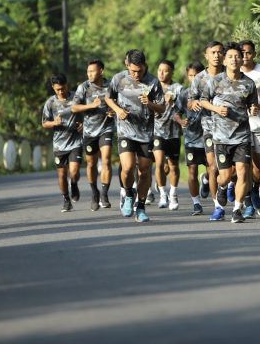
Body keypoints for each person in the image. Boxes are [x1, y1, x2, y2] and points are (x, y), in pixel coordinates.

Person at [199, 42, 259, 223]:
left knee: (242, 171)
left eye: (237, 56)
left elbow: (252, 104)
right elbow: (203, 101)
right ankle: (223, 188)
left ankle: (237, 209)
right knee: (224, 177)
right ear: (224, 61)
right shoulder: (215, 81)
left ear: (242, 59)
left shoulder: (249, 83)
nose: (234, 60)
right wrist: (216, 109)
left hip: (242, 136)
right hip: (220, 136)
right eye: (230, 57)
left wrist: (254, 109)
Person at [106, 50, 166, 222]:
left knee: (145, 170)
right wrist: (118, 110)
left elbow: (162, 108)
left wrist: (151, 104)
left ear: (145, 66)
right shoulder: (119, 79)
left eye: (140, 71)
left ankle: (140, 206)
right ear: (127, 65)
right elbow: (108, 98)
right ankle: (128, 193)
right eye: (133, 71)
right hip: (125, 131)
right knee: (127, 167)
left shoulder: (153, 82)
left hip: (146, 133)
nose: (137, 74)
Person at [188, 41, 226, 221]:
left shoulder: (231, 75)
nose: (217, 55)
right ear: (207, 55)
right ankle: (217, 206)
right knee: (213, 166)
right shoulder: (199, 79)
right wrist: (193, 103)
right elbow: (190, 100)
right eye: (213, 52)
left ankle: (226, 188)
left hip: (232, 128)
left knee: (230, 169)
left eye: (220, 52)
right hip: (209, 127)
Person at [71, 59, 115, 212]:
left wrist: (113, 111)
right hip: (89, 132)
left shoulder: (111, 86)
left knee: (107, 159)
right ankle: (94, 192)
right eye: (88, 71)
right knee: (91, 164)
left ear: (101, 71)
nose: (89, 74)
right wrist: (91, 105)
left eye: (92, 71)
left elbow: (119, 103)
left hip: (106, 128)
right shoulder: (83, 87)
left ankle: (104, 194)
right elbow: (74, 107)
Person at [41, 73, 83, 212]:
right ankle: (66, 199)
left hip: (76, 141)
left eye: (63, 88)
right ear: (53, 88)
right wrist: (54, 123)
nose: (61, 91)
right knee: (61, 174)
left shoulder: (76, 98)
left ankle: (74, 183)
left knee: (74, 171)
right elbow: (44, 123)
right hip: (59, 144)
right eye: (58, 89)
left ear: (67, 85)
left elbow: (86, 113)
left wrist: (83, 124)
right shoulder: (50, 103)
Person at [240, 39, 260, 217]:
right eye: (242, 53)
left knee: (259, 168)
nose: (245, 56)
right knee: (242, 166)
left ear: (254, 54)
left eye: (249, 53)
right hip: (239, 127)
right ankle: (247, 199)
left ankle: (256, 189)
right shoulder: (231, 72)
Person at [152, 59, 184, 211]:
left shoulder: (178, 89)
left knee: (173, 165)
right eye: (159, 70)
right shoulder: (152, 88)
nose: (161, 73)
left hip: (174, 133)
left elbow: (184, 108)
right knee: (158, 163)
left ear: (172, 72)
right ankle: (162, 194)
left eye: (165, 70)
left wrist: (174, 101)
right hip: (157, 132)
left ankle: (173, 194)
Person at [177, 61, 206, 215]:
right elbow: (176, 112)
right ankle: (196, 203)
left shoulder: (210, 90)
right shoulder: (184, 94)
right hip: (191, 139)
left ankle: (207, 180)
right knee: (192, 171)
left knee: (214, 170)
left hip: (210, 138)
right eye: (190, 76)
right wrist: (181, 121)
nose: (194, 79)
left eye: (197, 76)